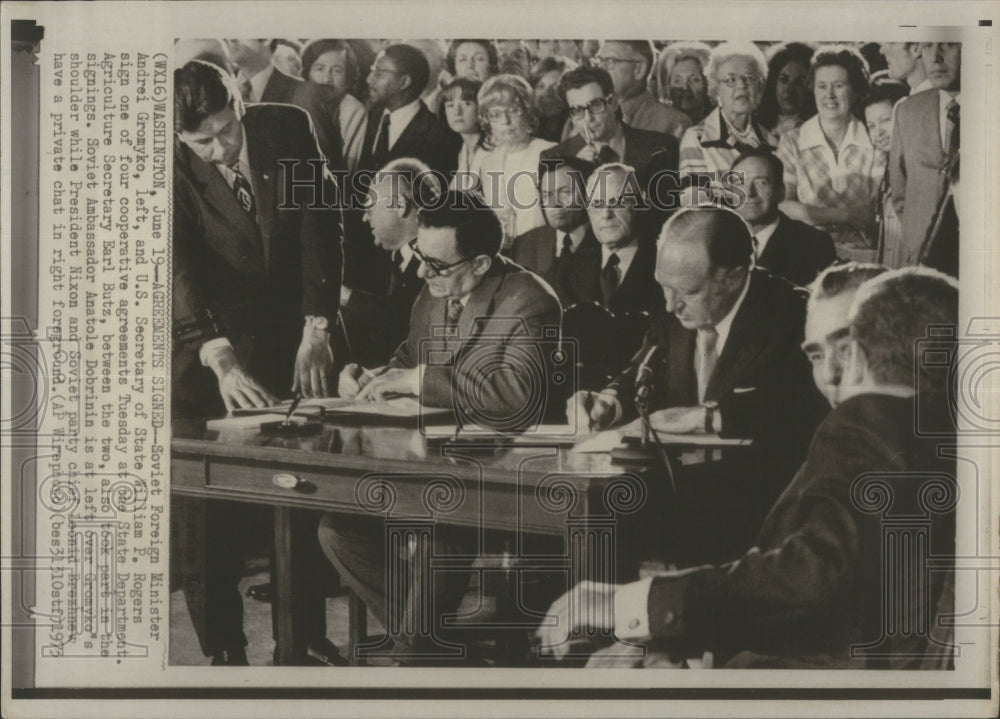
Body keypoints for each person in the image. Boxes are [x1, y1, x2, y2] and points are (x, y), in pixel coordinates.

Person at [541, 266, 957, 670]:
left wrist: (634, 606)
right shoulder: (948, 435)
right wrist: (682, 642)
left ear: (880, 344)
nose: (830, 374)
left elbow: (813, 573)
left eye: (846, 348)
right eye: (815, 354)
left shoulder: (869, 419)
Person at [320, 191, 562, 663]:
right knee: (338, 528)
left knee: (441, 523)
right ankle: (433, 646)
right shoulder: (433, 292)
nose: (425, 273)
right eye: (421, 259)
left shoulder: (529, 301)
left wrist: (415, 379)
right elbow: (407, 361)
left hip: (508, 481)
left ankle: (416, 654)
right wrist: (369, 376)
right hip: (433, 467)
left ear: (481, 263)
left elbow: (518, 396)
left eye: (438, 265)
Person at [172, 59, 344, 666]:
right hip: (203, 350)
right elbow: (177, 271)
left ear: (240, 104)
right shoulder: (160, 160)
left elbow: (320, 227)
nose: (219, 149)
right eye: (201, 140)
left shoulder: (287, 128)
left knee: (300, 490)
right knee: (205, 513)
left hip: (290, 339)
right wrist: (219, 358)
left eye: (227, 129)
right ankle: (223, 650)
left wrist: (316, 325)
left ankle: (304, 641)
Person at [567, 206, 826, 496]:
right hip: (679, 490)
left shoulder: (796, 316)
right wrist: (607, 401)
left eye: (689, 292)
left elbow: (804, 409)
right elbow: (643, 371)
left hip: (761, 495)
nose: (670, 304)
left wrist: (704, 417)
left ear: (734, 278)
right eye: (664, 287)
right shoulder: (671, 304)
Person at [776, 45, 880, 261]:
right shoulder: (792, 141)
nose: (829, 95)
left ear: (855, 89)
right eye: (822, 86)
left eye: (839, 86)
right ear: (812, 88)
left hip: (864, 256)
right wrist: (844, 215)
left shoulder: (873, 138)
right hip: (807, 255)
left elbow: (873, 213)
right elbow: (783, 204)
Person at [338, 158, 442, 368]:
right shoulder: (396, 261)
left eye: (370, 208)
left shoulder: (436, 261)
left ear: (401, 206)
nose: (364, 219)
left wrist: (342, 295)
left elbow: (403, 321)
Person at [542, 65, 678, 188]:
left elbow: (663, 212)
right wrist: (578, 170)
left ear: (613, 102)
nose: (588, 118)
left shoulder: (661, 149)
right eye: (577, 110)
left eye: (595, 105)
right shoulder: (554, 158)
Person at [889, 42, 961, 269]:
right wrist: (916, 236)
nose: (936, 58)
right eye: (928, 46)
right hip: (924, 263)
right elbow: (900, 196)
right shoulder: (908, 110)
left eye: (949, 45)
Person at [679, 42, 777, 200]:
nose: (741, 86)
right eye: (731, 80)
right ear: (715, 87)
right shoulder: (697, 138)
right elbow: (695, 203)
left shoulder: (773, 141)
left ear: (760, 86)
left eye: (749, 78)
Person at [470, 74, 556, 250]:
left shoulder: (549, 152)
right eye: (495, 114)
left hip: (545, 249)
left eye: (514, 110)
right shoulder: (488, 162)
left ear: (528, 112)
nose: (505, 121)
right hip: (507, 252)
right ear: (487, 121)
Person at [729, 150, 836, 287]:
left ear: (780, 192)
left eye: (761, 183)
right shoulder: (715, 241)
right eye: (739, 183)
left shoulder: (814, 245)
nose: (749, 193)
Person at [511, 155, 597, 292]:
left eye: (564, 192)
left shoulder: (605, 240)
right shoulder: (526, 245)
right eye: (546, 195)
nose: (553, 203)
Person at [593, 40, 691, 141]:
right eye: (599, 61)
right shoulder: (588, 115)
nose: (601, 68)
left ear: (639, 70)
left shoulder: (673, 123)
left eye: (610, 61)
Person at [300, 39, 369, 173]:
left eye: (337, 71)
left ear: (348, 79)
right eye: (319, 69)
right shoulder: (300, 99)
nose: (326, 79)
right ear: (307, 72)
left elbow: (348, 169)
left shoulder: (352, 110)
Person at [863, 76, 909, 267]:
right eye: (871, 125)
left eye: (885, 120)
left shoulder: (917, 167)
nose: (878, 131)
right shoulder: (879, 171)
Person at [756, 42, 816, 140]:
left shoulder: (814, 129)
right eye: (783, 80)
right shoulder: (757, 123)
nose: (789, 90)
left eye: (799, 82)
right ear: (773, 82)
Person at [649, 42, 714, 126]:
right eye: (677, 81)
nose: (685, 87)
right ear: (667, 84)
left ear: (707, 83)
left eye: (695, 80)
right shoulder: (658, 123)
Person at [438, 76, 484, 187]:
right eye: (450, 105)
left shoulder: (495, 150)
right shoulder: (461, 151)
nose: (456, 112)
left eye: (466, 104)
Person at [529, 55, 578, 143]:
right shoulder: (528, 124)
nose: (548, 93)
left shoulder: (576, 123)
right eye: (541, 87)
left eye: (555, 87)